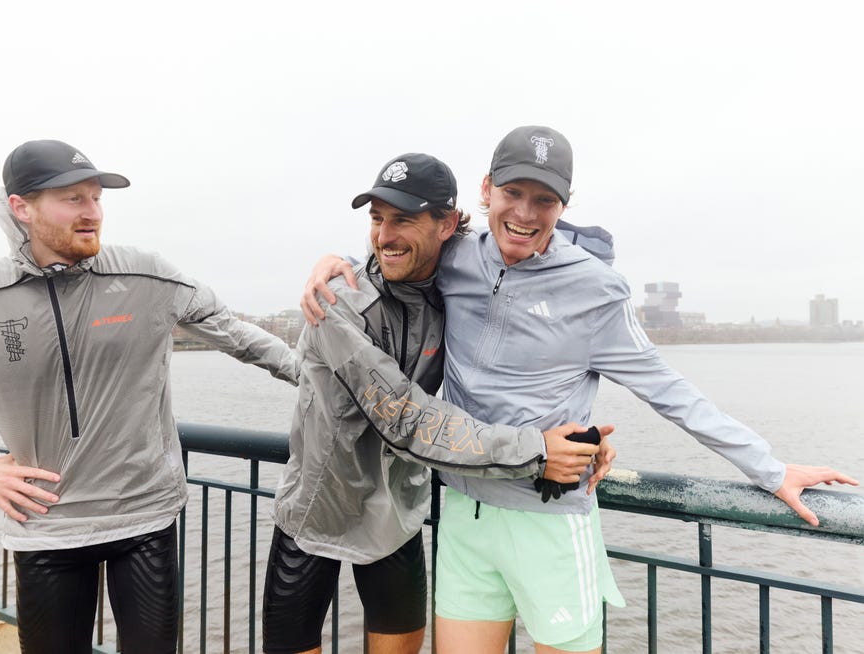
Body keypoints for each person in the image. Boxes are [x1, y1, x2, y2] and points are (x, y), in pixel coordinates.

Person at [300, 126, 858, 654]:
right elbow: (403, 251)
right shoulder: (458, 256)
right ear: (486, 190)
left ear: (564, 205)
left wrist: (771, 469)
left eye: (543, 200)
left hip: (550, 515)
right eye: (512, 192)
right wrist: (340, 264)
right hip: (466, 511)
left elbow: (670, 390)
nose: (523, 213)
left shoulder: (597, 290)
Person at [0, 139, 299, 654]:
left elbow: (242, 337)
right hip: (46, 527)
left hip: (144, 517)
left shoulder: (146, 275)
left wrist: (340, 391)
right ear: (22, 207)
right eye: (73, 199)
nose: (93, 213)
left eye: (97, 198)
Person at [264, 152, 615, 654]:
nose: (384, 235)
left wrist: (578, 436)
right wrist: (537, 448)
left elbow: (548, 251)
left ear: (448, 224)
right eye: (377, 219)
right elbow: (405, 417)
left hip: (395, 518)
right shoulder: (336, 300)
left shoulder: (455, 286)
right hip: (316, 513)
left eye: (403, 219)